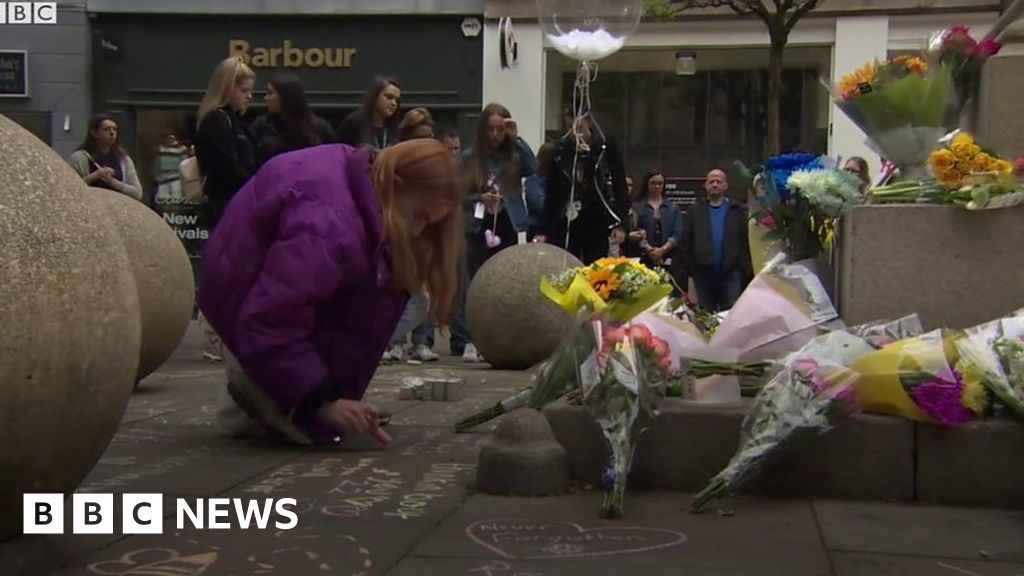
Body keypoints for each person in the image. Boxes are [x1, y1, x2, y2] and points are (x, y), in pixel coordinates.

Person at [197, 139, 462, 445]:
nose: (417, 232)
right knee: (305, 428)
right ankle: (249, 396)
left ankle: (276, 389)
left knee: (406, 295)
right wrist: (321, 401)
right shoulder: (329, 227)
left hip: (249, 284)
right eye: (418, 216)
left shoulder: (361, 186)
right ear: (395, 184)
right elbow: (271, 318)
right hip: (239, 296)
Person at [448, 103, 537, 362]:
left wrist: (516, 137)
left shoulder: (514, 156)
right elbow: (457, 194)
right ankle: (465, 340)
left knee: (502, 281)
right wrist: (480, 197)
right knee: (471, 282)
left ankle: (498, 337)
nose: (496, 135)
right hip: (476, 225)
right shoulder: (469, 157)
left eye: (501, 129)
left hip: (506, 223)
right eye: (491, 129)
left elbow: (533, 169)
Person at [541, 111, 629, 264]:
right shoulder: (560, 150)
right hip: (567, 221)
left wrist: (621, 223)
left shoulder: (604, 148)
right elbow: (551, 192)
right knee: (565, 267)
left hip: (597, 219)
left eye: (579, 127)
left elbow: (619, 185)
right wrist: (544, 229)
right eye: (570, 128)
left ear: (589, 123)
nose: (575, 133)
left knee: (597, 269)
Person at [194, 56, 257, 229]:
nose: (250, 96)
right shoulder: (217, 121)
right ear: (228, 89)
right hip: (227, 207)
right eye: (244, 91)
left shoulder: (232, 122)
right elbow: (227, 168)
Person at [681, 168, 752, 312]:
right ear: (705, 186)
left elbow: (744, 239)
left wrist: (743, 266)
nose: (714, 184)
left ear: (725, 185)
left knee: (731, 315)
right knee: (707, 316)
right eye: (711, 181)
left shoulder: (736, 210)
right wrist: (691, 267)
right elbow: (686, 240)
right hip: (703, 274)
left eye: (718, 181)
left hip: (731, 273)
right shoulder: (695, 210)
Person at [250, 71, 335, 167]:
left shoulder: (318, 127)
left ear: (285, 96)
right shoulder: (262, 125)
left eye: (270, 93)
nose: (266, 98)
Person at [629, 170, 684, 290]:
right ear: (647, 184)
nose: (657, 186)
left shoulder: (673, 208)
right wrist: (650, 250)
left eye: (660, 183)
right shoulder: (637, 207)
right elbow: (634, 230)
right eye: (653, 183)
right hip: (643, 259)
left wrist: (662, 250)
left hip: (668, 258)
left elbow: (678, 233)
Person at [68, 113, 143, 201]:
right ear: (95, 133)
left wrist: (112, 182)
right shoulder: (79, 158)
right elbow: (70, 188)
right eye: (106, 129)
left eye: (115, 129)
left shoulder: (124, 159)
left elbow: (137, 193)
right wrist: (95, 176)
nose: (112, 133)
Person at [337, 76, 402, 150]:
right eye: (389, 97)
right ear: (375, 96)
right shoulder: (354, 122)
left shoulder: (394, 129)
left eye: (397, 100)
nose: (393, 103)